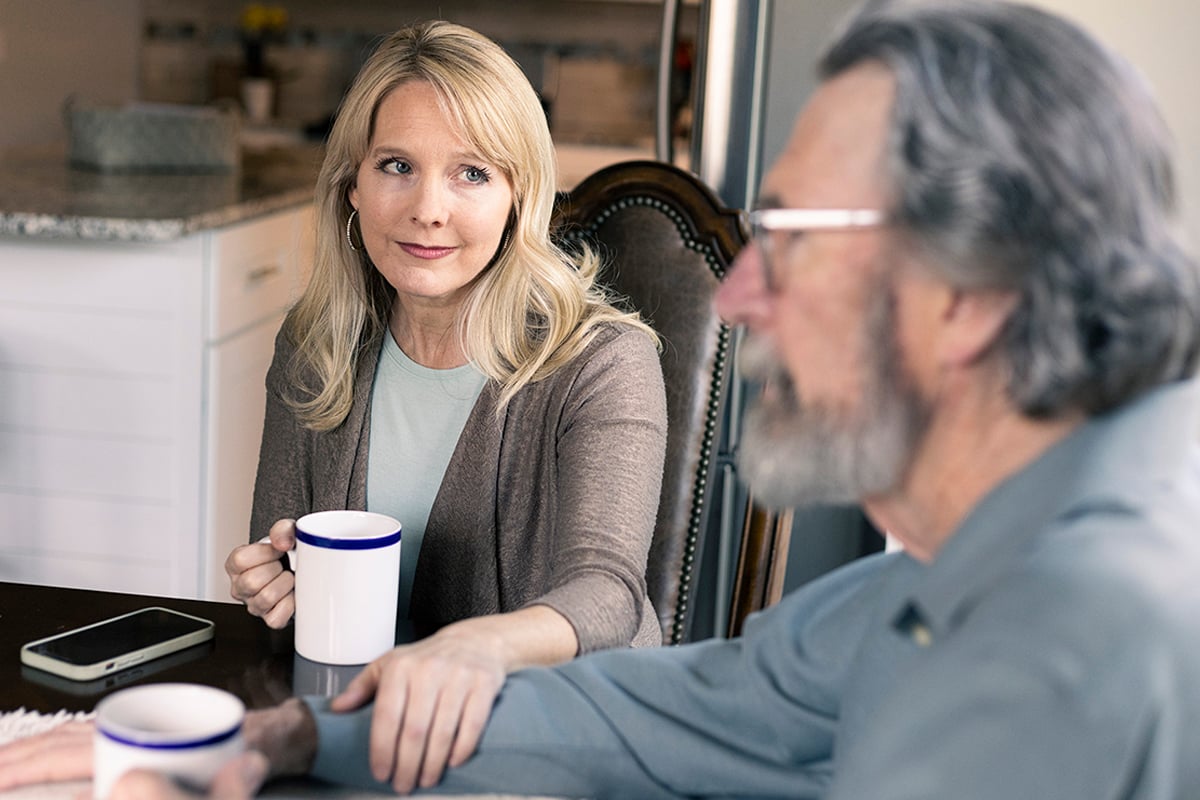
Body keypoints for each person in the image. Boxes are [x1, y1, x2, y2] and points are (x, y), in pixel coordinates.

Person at [4, 0, 1200, 797]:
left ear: (974, 287)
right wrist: (287, 735)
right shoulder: (932, 582)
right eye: (398, 168)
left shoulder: (1083, 628)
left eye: (791, 234)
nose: (738, 294)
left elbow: (609, 611)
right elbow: (683, 704)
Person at [221, 18, 667, 792]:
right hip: (372, 735)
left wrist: (470, 651)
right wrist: (274, 583)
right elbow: (283, 561)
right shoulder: (316, 344)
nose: (428, 209)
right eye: (397, 165)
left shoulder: (604, 362)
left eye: (471, 173)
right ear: (352, 186)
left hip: (565, 744)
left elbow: (607, 595)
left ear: (517, 195)